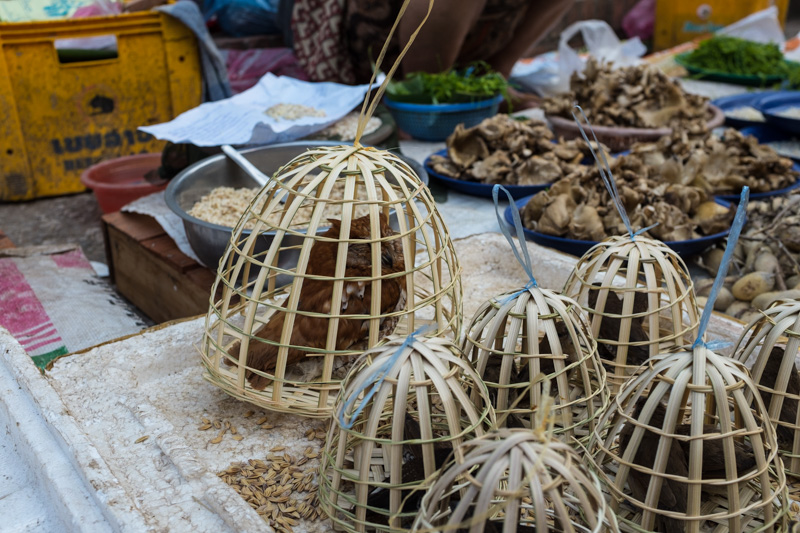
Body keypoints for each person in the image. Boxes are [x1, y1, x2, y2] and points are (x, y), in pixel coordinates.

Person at [290, 0, 575, 106]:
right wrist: (426, 93)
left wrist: (497, 72)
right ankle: (428, 97)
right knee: (427, 101)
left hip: (466, 36)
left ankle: (487, 79)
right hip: (354, 25)